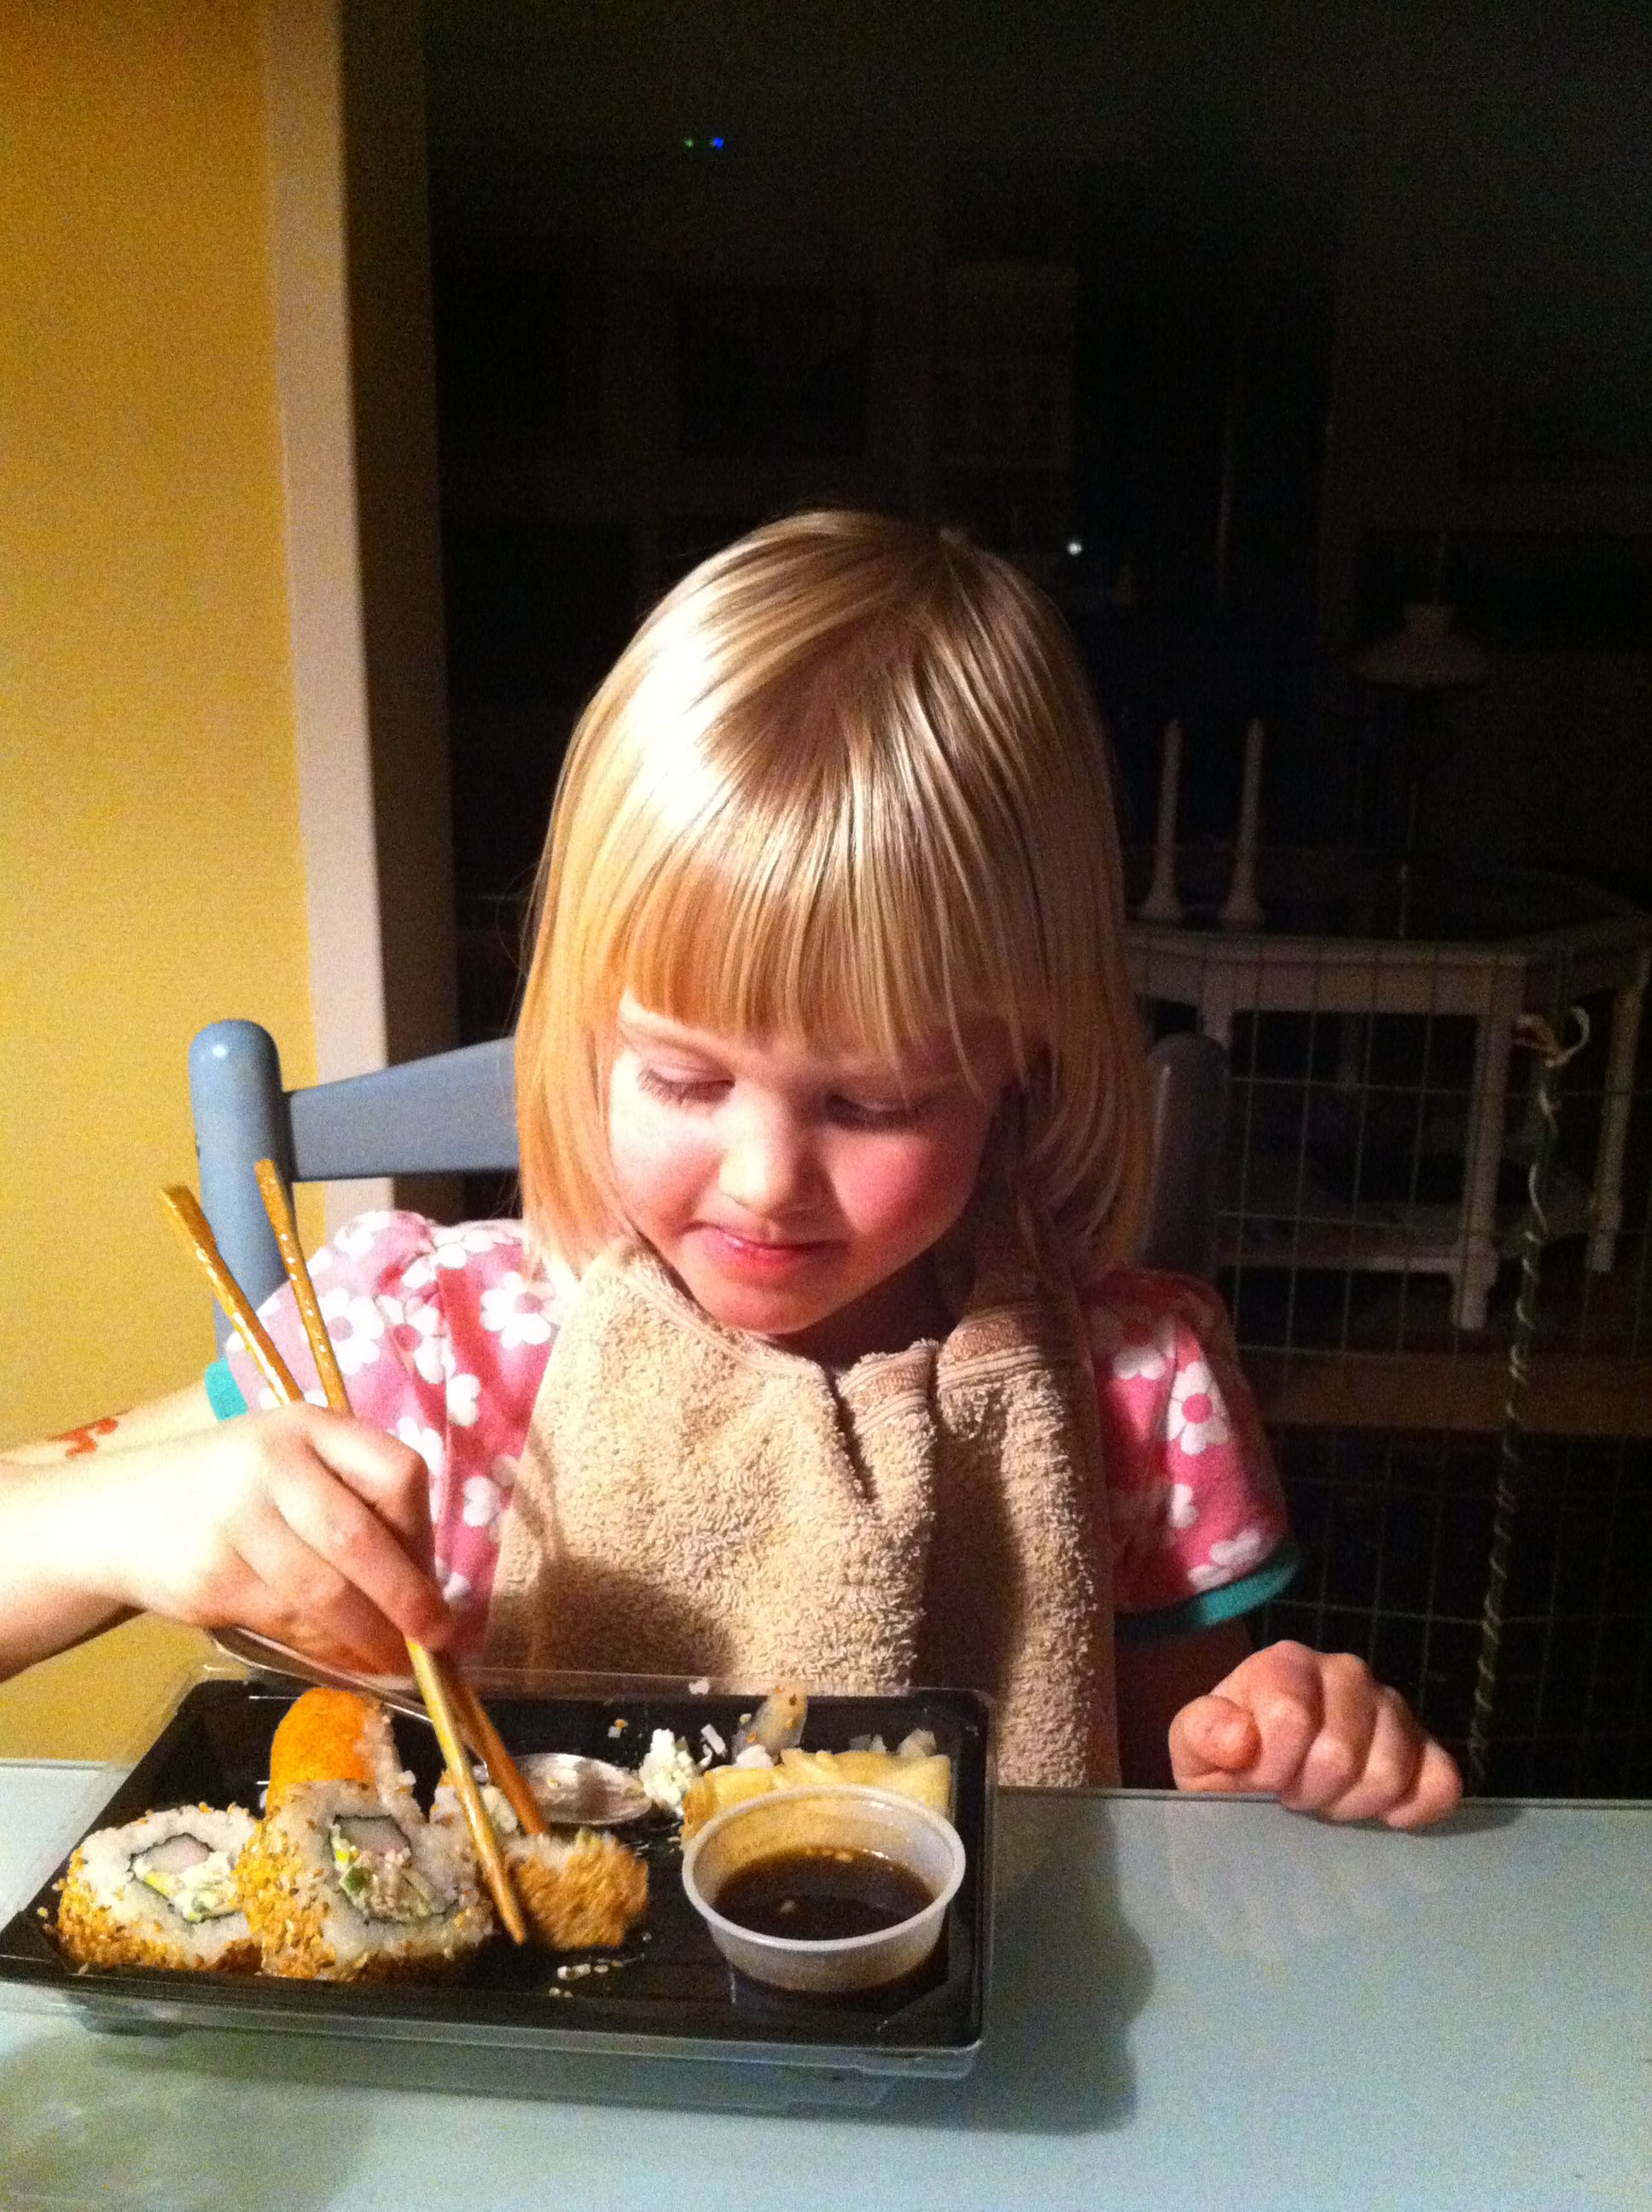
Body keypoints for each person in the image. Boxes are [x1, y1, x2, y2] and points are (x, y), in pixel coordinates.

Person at [1, 512, 1459, 1826]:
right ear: (583, 1034)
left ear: (1027, 1060)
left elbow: (1185, 1801)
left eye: (876, 1101)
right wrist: (109, 1523)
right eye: (682, 1078)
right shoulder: (425, 1349)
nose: (765, 1179)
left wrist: (1276, 1747)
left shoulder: (1135, 1389)